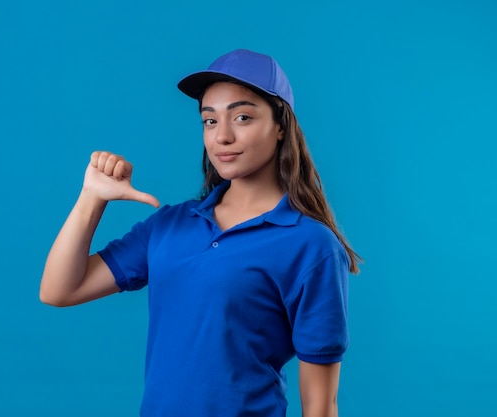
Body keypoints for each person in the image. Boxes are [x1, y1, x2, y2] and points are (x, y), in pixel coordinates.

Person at [40, 48, 362, 417]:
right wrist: (91, 199)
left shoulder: (312, 245)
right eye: (210, 121)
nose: (222, 136)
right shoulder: (170, 224)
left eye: (242, 117)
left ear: (280, 126)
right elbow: (58, 290)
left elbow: (320, 405)